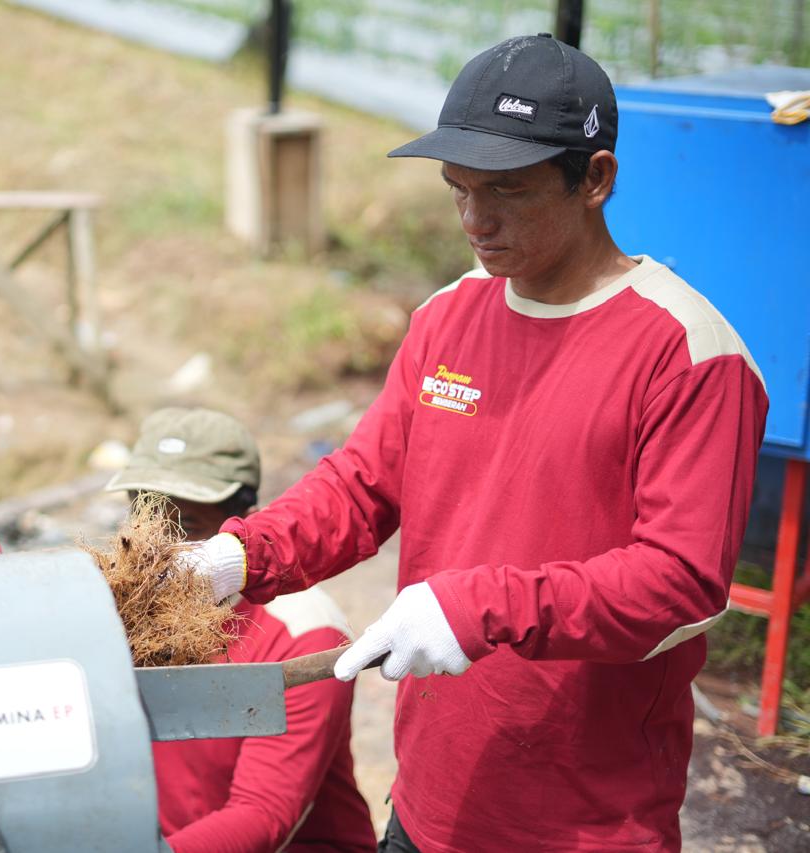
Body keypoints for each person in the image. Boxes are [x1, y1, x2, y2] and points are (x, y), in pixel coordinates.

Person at [181, 35, 769, 852]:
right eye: (456, 188)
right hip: (430, 799)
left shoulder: (687, 351)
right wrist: (242, 556)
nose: (473, 220)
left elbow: (681, 582)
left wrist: (475, 605)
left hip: (583, 821)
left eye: (507, 191)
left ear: (595, 178)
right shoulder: (450, 314)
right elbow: (363, 485)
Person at [107, 407, 376, 853]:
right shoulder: (121, 615)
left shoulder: (304, 635)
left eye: (185, 525)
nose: (159, 547)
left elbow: (263, 814)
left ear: (245, 519)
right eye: (143, 517)